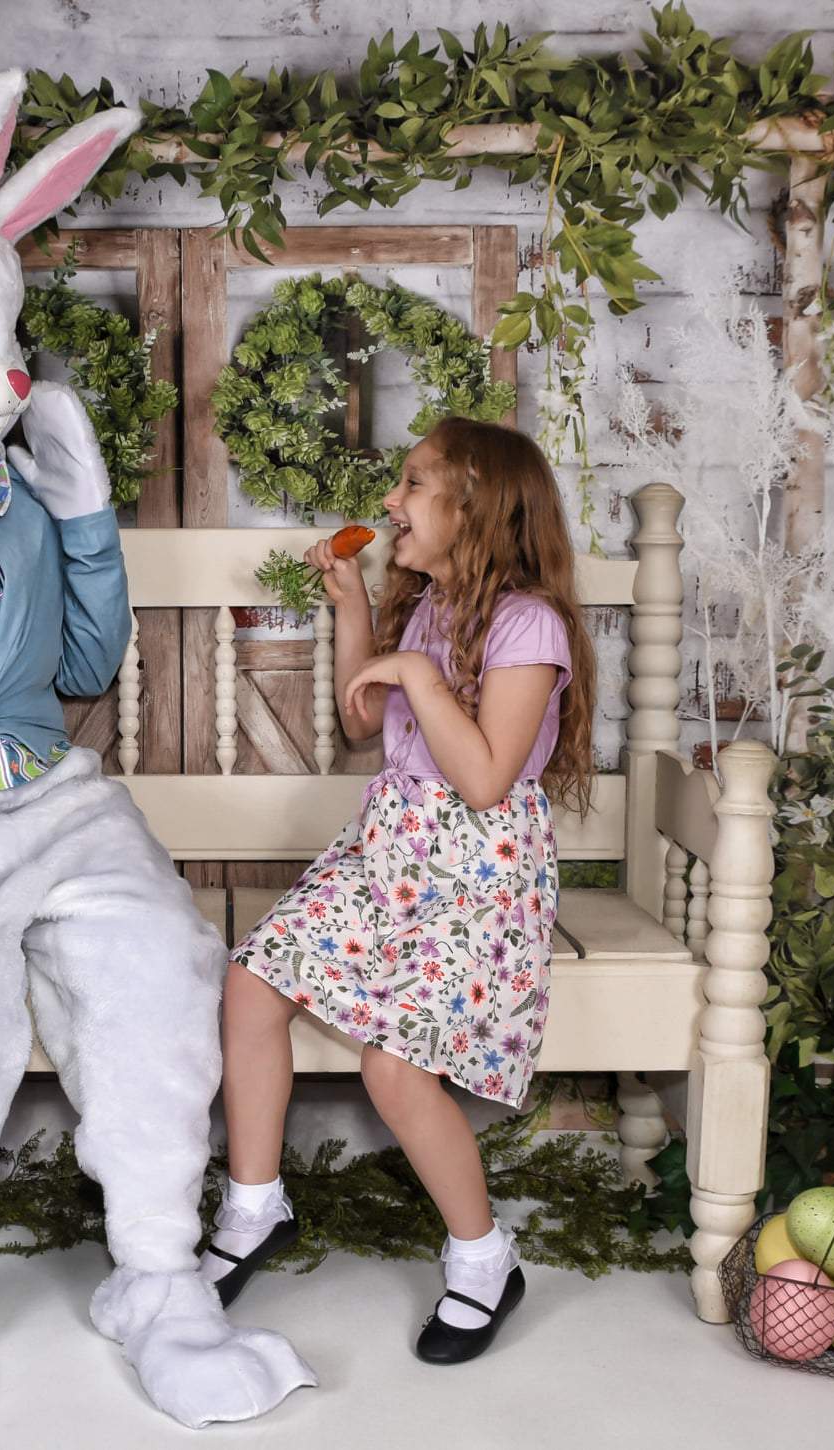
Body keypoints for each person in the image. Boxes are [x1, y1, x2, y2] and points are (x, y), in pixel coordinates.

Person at [202, 416, 597, 1364]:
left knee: (393, 1066)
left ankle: (483, 1260)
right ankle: (256, 1208)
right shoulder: (426, 608)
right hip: (392, 852)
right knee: (251, 986)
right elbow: (360, 725)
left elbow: (489, 778)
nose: (389, 502)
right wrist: (351, 610)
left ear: (479, 507)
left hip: (478, 873)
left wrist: (418, 672)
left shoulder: (528, 622)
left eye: (414, 485)